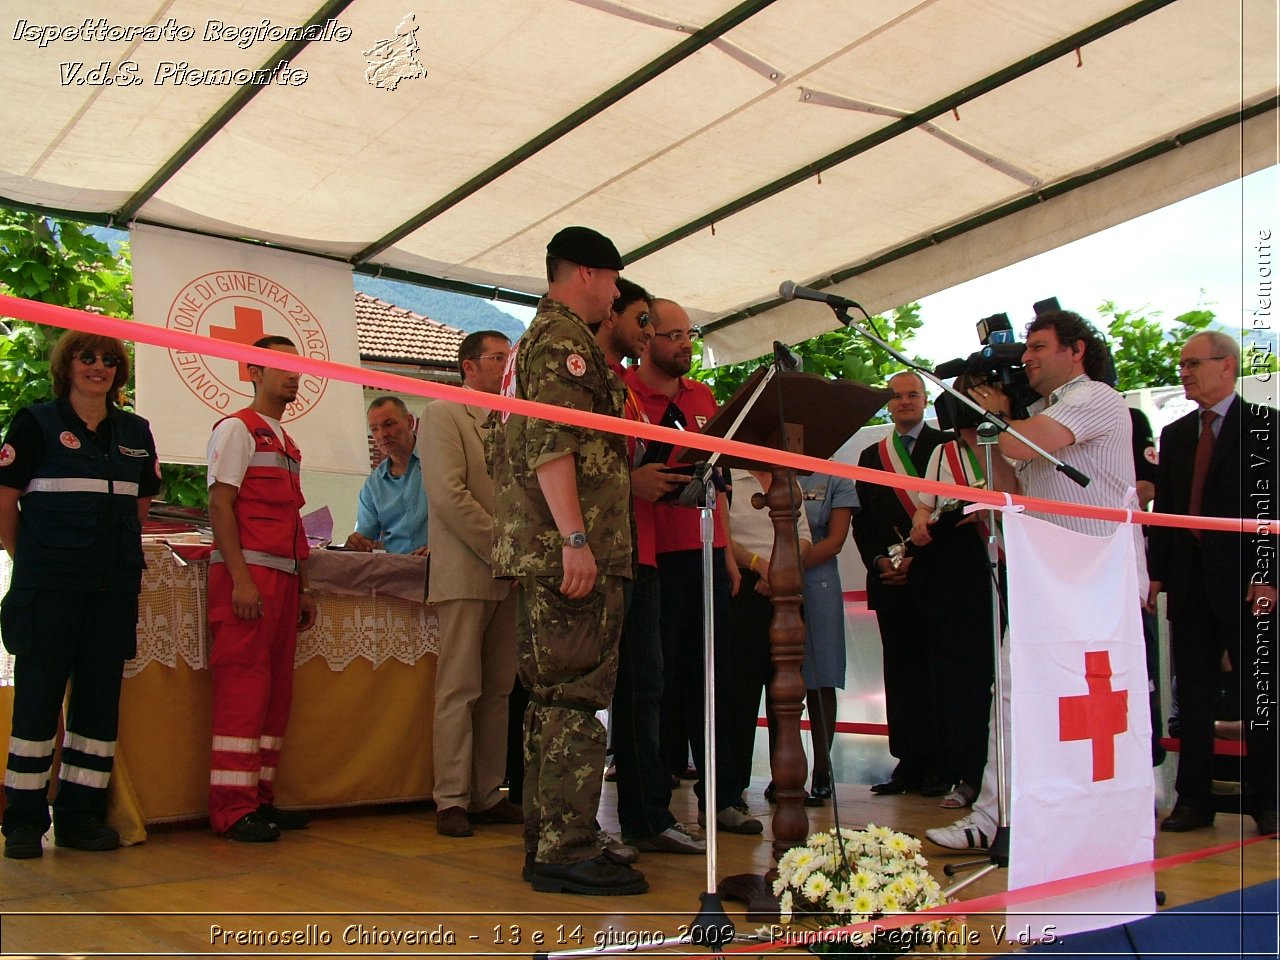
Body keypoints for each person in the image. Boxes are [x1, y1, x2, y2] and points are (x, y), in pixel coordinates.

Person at [927, 309, 1138, 851]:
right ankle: (997, 819)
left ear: (1077, 351)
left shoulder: (1096, 399)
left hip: (1091, 577)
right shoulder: (1041, 413)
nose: (1027, 358)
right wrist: (974, 429)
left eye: (1039, 347)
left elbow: (1024, 445)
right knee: (1017, 693)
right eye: (1027, 349)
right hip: (1048, 577)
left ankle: (1096, 819)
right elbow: (1006, 485)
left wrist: (997, 415)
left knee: (1094, 703)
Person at [487, 225, 645, 895]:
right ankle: (564, 846)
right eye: (612, 281)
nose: (615, 297)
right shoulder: (561, 345)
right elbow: (552, 444)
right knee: (572, 697)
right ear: (585, 273)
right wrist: (576, 540)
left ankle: (555, 838)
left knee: (557, 699)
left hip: (555, 547)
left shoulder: (543, 341)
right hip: (568, 552)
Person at [0, 331, 160, 859]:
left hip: (112, 591)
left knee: (97, 709)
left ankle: (80, 817)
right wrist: (32, 565)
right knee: (37, 707)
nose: (99, 367)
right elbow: (4, 505)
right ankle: (23, 822)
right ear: (66, 365)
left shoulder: (135, 431)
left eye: (110, 360)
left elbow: (139, 511)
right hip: (48, 591)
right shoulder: (35, 422)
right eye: (87, 357)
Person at [626, 299, 756, 834]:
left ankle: (723, 796)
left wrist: (725, 550)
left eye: (691, 334)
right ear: (648, 336)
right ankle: (654, 806)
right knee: (658, 685)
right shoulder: (625, 393)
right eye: (674, 334)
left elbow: (717, 480)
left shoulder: (704, 397)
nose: (685, 344)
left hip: (705, 551)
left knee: (715, 680)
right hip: (653, 558)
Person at [1146, 331, 1277, 837]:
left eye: (1193, 363)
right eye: (1181, 363)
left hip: (1249, 587)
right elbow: (1167, 514)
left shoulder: (1266, 428)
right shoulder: (1177, 436)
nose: (1184, 372)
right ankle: (1193, 800)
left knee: (1260, 696)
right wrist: (1157, 575)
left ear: (1227, 366)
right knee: (1193, 700)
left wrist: (1270, 576)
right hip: (1191, 582)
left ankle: (1268, 800)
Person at [594, 280, 703, 854]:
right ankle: (582, 825)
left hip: (643, 552)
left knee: (647, 688)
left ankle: (648, 814)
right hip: (599, 554)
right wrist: (629, 480)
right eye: (643, 322)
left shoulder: (627, 390)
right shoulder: (594, 380)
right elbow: (560, 463)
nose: (646, 333)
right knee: (597, 692)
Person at [206, 336, 318, 843]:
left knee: (274, 696)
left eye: (296, 367)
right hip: (249, 579)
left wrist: (306, 586)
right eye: (280, 366)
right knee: (243, 693)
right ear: (252, 371)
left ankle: (260, 799)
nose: (292, 375)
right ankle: (231, 809)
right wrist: (242, 579)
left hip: (285, 582)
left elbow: (290, 519)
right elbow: (220, 505)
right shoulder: (237, 429)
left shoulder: (286, 440)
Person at [422, 332, 523, 838]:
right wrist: (503, 546)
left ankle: (488, 793)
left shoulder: (514, 419)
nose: (507, 366)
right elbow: (448, 494)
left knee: (499, 689)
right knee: (459, 687)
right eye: (498, 358)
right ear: (469, 367)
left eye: (511, 358)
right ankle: (452, 799)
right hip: (467, 569)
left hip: (511, 574)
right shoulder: (442, 414)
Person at [851, 371, 950, 797]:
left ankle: (941, 763)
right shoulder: (871, 456)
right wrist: (879, 561)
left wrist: (918, 558)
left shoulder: (945, 449)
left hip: (933, 576)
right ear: (887, 404)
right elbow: (864, 521)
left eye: (913, 395)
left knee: (938, 671)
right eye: (897, 396)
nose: (905, 402)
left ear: (925, 400)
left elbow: (952, 512)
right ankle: (906, 762)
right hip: (890, 580)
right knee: (901, 670)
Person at [907, 425, 995, 809]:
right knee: (963, 678)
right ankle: (967, 775)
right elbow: (926, 505)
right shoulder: (945, 453)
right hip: (959, 569)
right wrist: (919, 522)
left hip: (1011, 564)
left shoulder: (1010, 443)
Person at [728, 468, 812, 809]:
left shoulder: (787, 480)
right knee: (740, 693)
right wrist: (759, 564)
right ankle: (732, 790)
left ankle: (787, 782)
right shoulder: (727, 476)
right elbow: (721, 535)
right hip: (742, 585)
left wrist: (781, 567)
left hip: (785, 590)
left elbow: (803, 536)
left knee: (787, 691)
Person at [798, 471, 859, 803]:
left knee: (822, 679)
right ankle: (787, 774)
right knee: (783, 680)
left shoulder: (837, 478)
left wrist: (789, 565)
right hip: (769, 576)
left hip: (817, 579)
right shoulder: (772, 470)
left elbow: (835, 541)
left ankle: (822, 770)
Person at [345, 396, 429, 555]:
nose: (381, 434)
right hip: (398, 573)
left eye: (388, 424)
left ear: (410, 422)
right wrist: (356, 543)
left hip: (444, 568)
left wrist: (442, 550)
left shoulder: (439, 462)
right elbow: (365, 538)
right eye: (374, 428)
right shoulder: (373, 485)